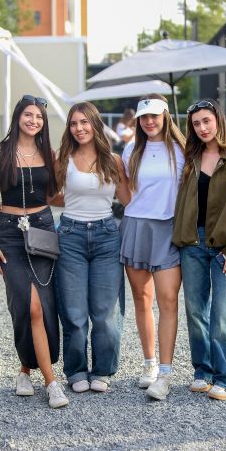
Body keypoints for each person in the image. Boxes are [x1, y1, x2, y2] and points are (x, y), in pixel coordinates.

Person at [0, 94, 69, 409]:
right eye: (28, 115)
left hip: (42, 229)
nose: (34, 121)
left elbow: (53, 195)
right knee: (28, 307)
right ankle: (52, 382)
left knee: (43, 305)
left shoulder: (49, 153)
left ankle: (24, 370)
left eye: (39, 117)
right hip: (8, 236)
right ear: (17, 117)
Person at [172, 99, 226, 401]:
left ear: (218, 120)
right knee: (195, 311)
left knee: (221, 312)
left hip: (225, 244)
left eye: (206, 121)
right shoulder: (191, 157)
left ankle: (225, 376)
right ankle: (203, 371)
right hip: (193, 244)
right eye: (196, 124)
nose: (202, 128)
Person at [54, 101, 131, 394]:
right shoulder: (63, 159)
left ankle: (102, 369)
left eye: (84, 122)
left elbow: (128, 199)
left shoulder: (113, 160)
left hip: (107, 236)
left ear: (95, 125)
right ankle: (75, 371)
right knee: (73, 312)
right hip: (70, 235)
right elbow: (51, 195)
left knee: (105, 312)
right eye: (74, 123)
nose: (79, 128)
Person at [119, 93, 186, 400]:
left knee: (168, 299)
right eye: (144, 117)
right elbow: (124, 189)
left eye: (154, 116)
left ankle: (167, 372)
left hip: (169, 228)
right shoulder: (131, 148)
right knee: (141, 298)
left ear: (165, 117)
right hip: (136, 226)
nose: (149, 122)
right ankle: (149, 365)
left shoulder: (182, 149)